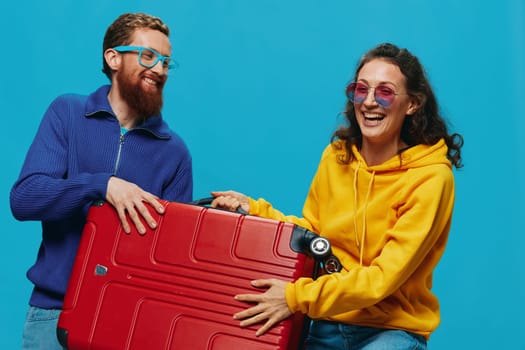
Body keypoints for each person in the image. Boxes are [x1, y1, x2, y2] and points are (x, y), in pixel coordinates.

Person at [211, 42, 463, 349]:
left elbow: (383, 278)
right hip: (326, 321)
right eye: (361, 89)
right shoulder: (336, 157)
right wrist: (255, 210)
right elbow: (314, 236)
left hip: (389, 330)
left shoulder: (431, 177)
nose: (369, 102)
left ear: (412, 104)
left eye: (384, 92)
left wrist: (295, 297)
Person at [10, 12, 193, 349]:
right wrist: (101, 185)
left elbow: (174, 257)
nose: (159, 69)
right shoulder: (67, 113)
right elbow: (25, 198)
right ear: (113, 58)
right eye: (148, 56)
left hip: (129, 325)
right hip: (52, 315)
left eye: (166, 61)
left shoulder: (175, 152)